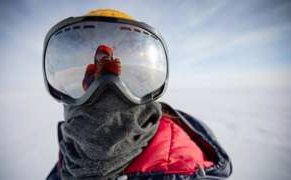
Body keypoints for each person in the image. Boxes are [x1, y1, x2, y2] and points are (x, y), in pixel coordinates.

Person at [44, 9, 232, 180]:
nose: (106, 95)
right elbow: (87, 87)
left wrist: (115, 72)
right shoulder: (68, 157)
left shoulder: (186, 170)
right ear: (95, 58)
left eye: (106, 58)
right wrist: (95, 77)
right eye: (100, 58)